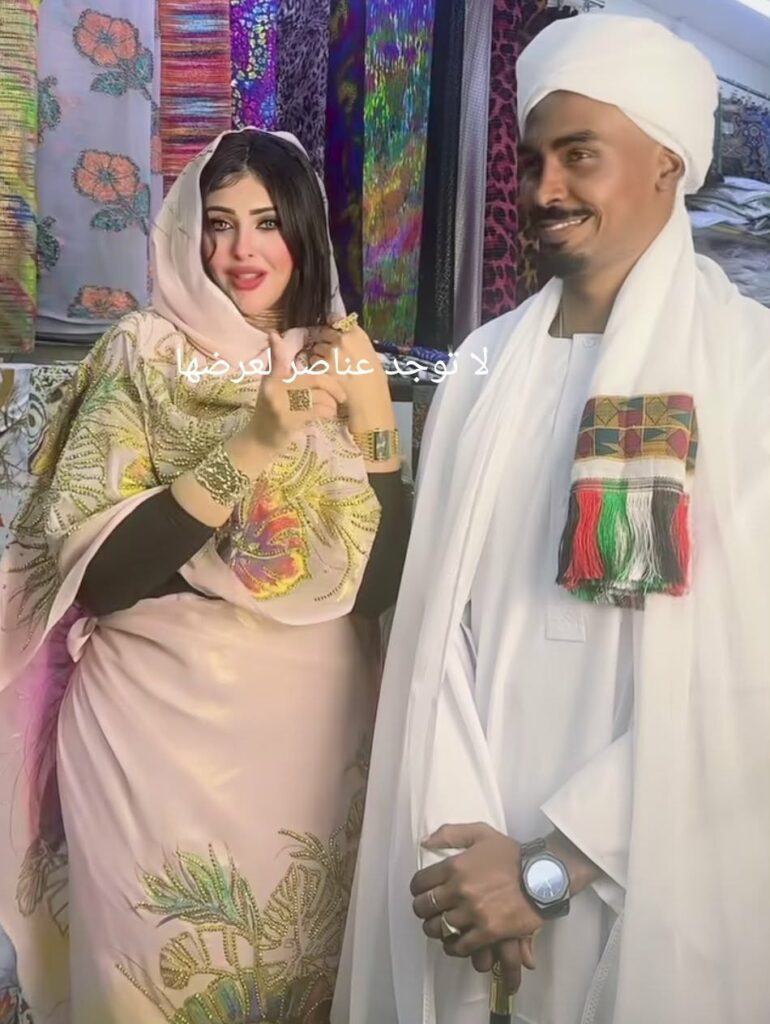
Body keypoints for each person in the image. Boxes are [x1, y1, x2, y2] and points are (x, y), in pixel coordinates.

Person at [333, 14, 770, 1024]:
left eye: (580, 156)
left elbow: (748, 673)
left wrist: (549, 865)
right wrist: (463, 850)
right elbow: (435, 635)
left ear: (667, 164)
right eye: (532, 161)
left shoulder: (748, 370)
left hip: (650, 871)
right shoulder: (485, 365)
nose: (543, 190)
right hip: (463, 874)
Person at [0, 128, 408, 1023]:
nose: (240, 250)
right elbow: (104, 578)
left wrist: (375, 420)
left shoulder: (338, 359)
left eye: (267, 222)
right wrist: (255, 443)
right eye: (218, 224)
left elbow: (379, 589)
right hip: (155, 739)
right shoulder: (140, 353)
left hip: (312, 746)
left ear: (303, 232)